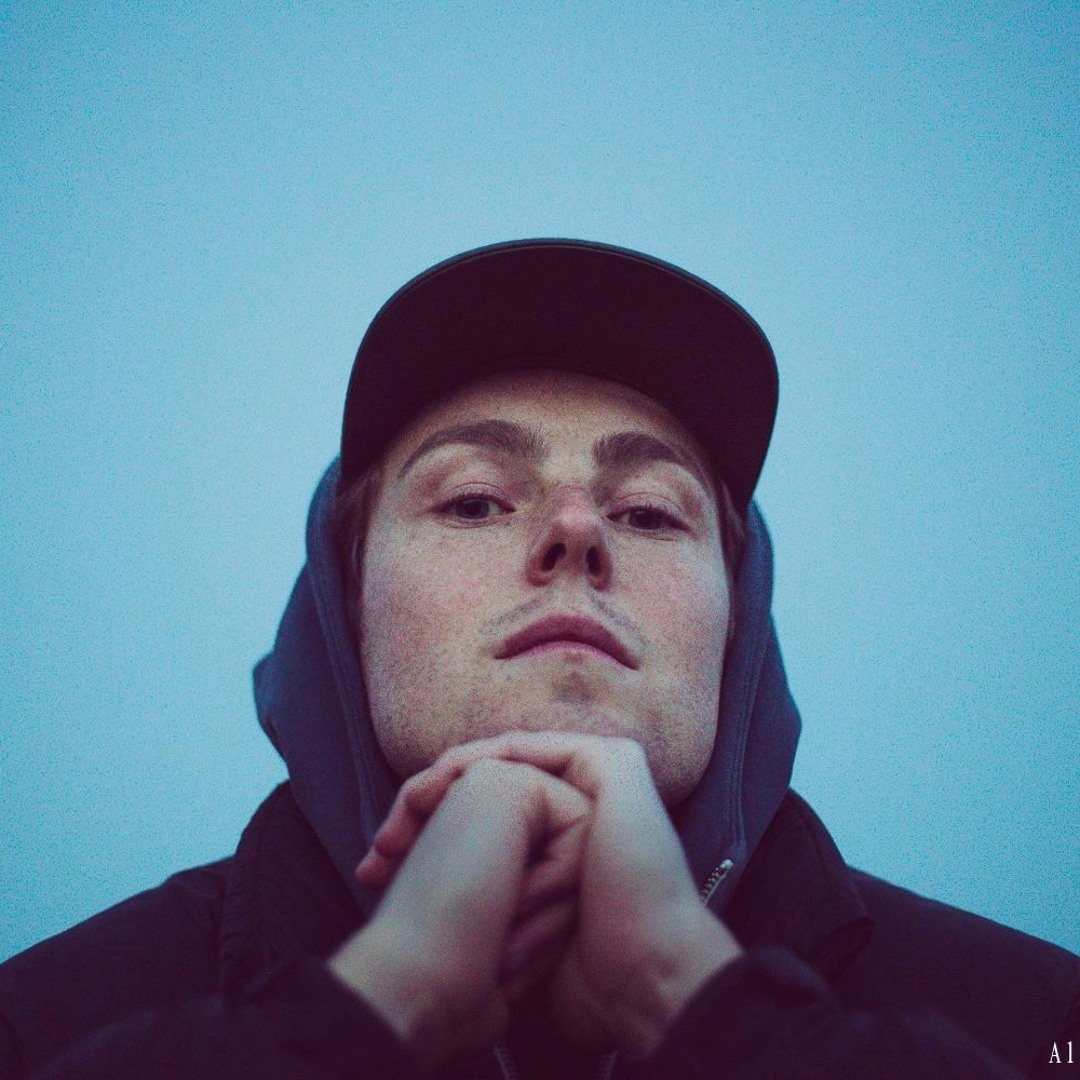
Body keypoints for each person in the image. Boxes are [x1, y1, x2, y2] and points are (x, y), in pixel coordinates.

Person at [1, 240, 1076, 1078]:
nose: (576, 530)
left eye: (649, 512)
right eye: (475, 500)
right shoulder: (41, 1026)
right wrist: (370, 1012)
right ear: (345, 607)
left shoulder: (1038, 1022)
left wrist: (702, 1001)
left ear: (739, 620)